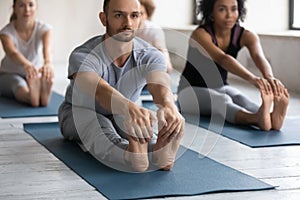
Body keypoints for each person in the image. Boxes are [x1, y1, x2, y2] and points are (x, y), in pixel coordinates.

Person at [58, 0, 184, 173]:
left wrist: (169, 106)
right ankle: (130, 155)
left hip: (125, 115)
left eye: (134, 16)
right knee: (97, 126)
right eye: (119, 15)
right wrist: (128, 108)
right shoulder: (83, 54)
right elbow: (99, 90)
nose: (128, 23)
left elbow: (160, 86)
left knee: (139, 128)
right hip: (79, 111)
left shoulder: (151, 55)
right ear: (104, 19)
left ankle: (158, 151)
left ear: (140, 18)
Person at [177, 0, 289, 131]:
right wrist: (252, 79)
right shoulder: (200, 34)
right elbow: (222, 58)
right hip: (188, 93)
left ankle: (269, 117)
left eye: (234, 9)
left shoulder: (246, 35)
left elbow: (259, 57)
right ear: (211, 11)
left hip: (220, 86)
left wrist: (269, 78)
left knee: (240, 97)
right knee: (221, 100)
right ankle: (256, 119)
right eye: (222, 9)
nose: (229, 15)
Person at [0, 0, 54, 107]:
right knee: (17, 83)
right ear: (14, 8)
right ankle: (32, 97)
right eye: (21, 6)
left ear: (36, 7)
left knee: (36, 78)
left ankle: (39, 96)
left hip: (34, 74)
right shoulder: (6, 33)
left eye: (31, 5)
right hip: (9, 74)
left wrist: (48, 63)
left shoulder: (45, 29)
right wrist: (27, 65)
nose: (27, 10)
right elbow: (13, 53)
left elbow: (47, 50)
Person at [136, 0, 173, 73]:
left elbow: (162, 50)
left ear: (147, 15)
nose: (139, 18)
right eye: (135, 14)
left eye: (142, 14)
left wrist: (166, 63)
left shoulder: (154, 30)